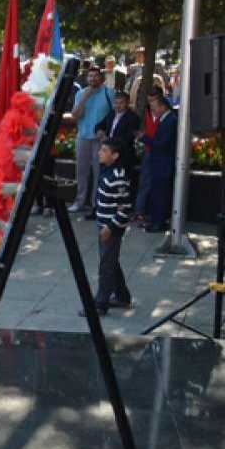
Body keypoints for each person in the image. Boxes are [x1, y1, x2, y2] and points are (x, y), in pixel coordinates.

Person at [84, 140, 132, 317]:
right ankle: (122, 296)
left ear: (115, 155)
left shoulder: (117, 177)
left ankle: (100, 304)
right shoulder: (107, 171)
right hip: (104, 226)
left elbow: (125, 208)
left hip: (111, 229)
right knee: (111, 261)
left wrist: (109, 228)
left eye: (104, 150)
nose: (99, 153)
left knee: (106, 266)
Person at [70, 67, 115, 213]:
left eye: (96, 76)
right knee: (81, 171)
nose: (93, 79)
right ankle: (79, 202)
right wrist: (84, 98)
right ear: (86, 79)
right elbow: (75, 115)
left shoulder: (109, 93)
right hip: (83, 137)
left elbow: (115, 115)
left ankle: (96, 203)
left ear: (101, 78)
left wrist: (107, 133)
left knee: (98, 171)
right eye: (90, 76)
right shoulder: (81, 93)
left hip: (100, 140)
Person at [137, 95, 178, 232]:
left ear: (162, 106)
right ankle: (155, 220)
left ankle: (158, 223)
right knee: (157, 193)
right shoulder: (164, 119)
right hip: (159, 163)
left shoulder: (171, 120)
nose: (152, 111)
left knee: (160, 195)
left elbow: (162, 143)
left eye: (154, 108)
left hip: (163, 164)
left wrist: (144, 138)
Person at [94, 91, 141, 204]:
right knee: (104, 180)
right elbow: (99, 125)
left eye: (121, 103)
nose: (118, 106)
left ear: (127, 103)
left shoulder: (133, 117)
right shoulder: (111, 114)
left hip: (122, 156)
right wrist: (99, 131)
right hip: (108, 156)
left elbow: (127, 138)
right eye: (116, 103)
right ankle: (101, 205)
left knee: (119, 184)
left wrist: (108, 141)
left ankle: (120, 208)